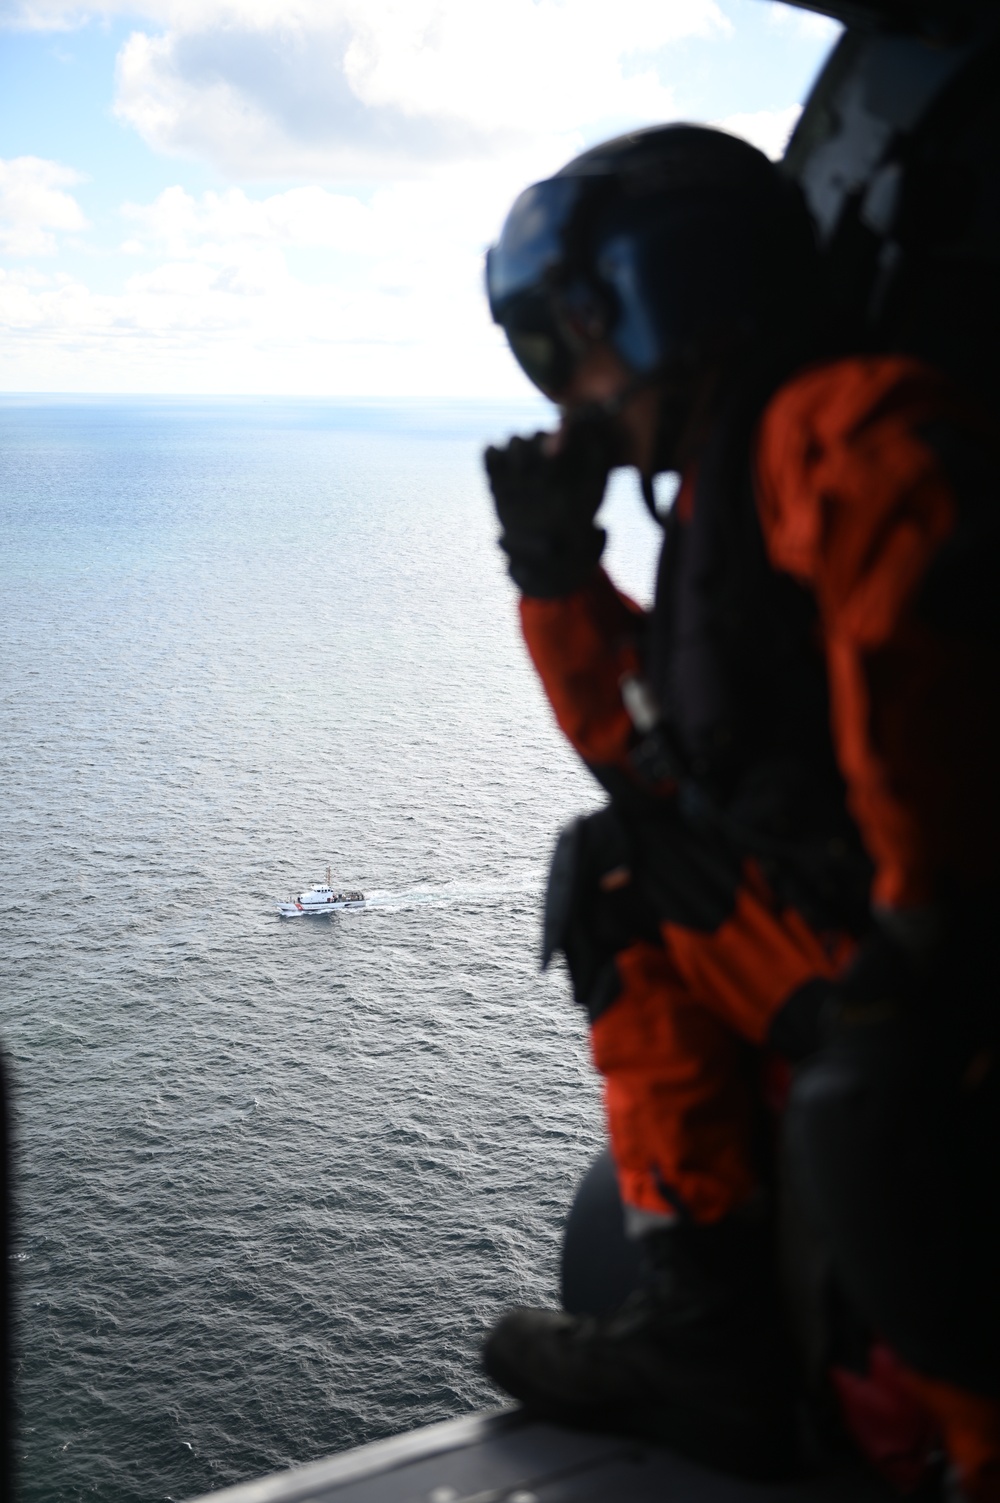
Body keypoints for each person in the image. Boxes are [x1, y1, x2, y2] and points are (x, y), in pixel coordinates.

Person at [479, 124, 1000, 1498]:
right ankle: (709, 1334)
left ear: (675, 293)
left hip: (948, 972)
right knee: (621, 870)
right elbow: (655, 765)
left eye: (574, 342)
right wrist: (555, 570)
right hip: (881, 935)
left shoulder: (843, 427)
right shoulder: (729, 484)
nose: (573, 393)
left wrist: (919, 920)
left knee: (877, 1108)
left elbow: (923, 643)